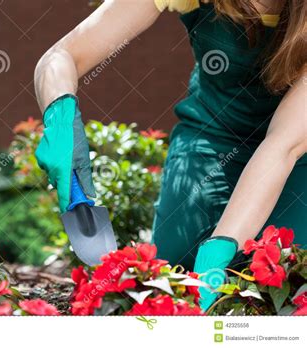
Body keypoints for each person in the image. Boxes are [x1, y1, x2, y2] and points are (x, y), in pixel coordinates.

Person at [33, 0, 306, 310]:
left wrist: (221, 247)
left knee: (284, 276)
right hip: (211, 137)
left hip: (297, 154)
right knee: (178, 265)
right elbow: (63, 55)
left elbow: (283, 145)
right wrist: (60, 116)